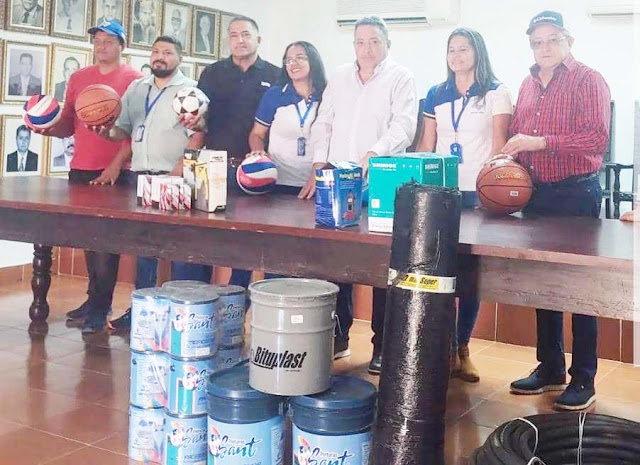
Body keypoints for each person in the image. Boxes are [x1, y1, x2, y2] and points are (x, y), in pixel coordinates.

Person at [505, 11, 611, 411]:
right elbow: (520, 136)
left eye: (552, 40)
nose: (544, 48)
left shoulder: (589, 79)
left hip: (576, 193)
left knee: (580, 287)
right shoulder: (527, 83)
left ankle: (584, 377)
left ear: (568, 41)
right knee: (544, 284)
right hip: (537, 195)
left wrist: (539, 143)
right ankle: (549, 366)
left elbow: (596, 139)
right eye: (537, 42)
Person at [307, 16, 418, 361]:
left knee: (382, 264)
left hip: (382, 178)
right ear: (353, 44)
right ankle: (338, 336)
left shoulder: (401, 77)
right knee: (338, 263)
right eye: (360, 42)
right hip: (339, 181)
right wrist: (318, 164)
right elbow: (323, 121)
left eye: (374, 41)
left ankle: (382, 346)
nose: (367, 49)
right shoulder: (340, 77)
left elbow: (405, 124)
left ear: (387, 43)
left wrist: (376, 151)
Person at [414, 28, 513, 381]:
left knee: (469, 275)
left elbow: (501, 146)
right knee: (438, 272)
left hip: (479, 192)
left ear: (477, 52)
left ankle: (463, 348)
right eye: (451, 49)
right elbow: (427, 144)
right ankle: (439, 348)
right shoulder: (435, 94)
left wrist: (493, 190)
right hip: (441, 193)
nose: (456, 55)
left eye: (463, 49)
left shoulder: (496, 92)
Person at [90, 36, 206, 330]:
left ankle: (181, 318)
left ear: (179, 58)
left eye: (167, 52)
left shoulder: (189, 90)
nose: (160, 57)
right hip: (141, 177)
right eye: (155, 51)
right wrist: (105, 132)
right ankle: (142, 312)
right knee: (144, 250)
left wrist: (183, 165)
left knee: (179, 250)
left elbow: (199, 133)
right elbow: (123, 131)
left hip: (175, 179)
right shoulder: (137, 88)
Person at [36, 20, 143, 333]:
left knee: (106, 241)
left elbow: (137, 130)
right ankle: (93, 298)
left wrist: (115, 166)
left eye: (109, 40)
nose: (101, 46)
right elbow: (69, 123)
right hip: (81, 166)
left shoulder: (134, 80)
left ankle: (101, 306)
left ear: (122, 45)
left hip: (115, 170)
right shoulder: (79, 77)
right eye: (97, 40)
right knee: (87, 238)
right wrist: (47, 128)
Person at [175, 16, 280, 284]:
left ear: (258, 39)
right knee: (198, 241)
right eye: (234, 35)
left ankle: (236, 306)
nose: (240, 40)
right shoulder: (212, 73)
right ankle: (195, 300)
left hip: (254, 171)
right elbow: (201, 120)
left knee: (243, 247)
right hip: (212, 168)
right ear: (227, 41)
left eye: (246, 34)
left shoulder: (275, 75)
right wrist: (193, 123)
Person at [249, 41, 326, 194]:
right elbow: (256, 134)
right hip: (279, 181)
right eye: (288, 60)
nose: (293, 63)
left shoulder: (327, 94)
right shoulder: (275, 95)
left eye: (300, 58)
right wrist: (259, 153)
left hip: (317, 181)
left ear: (313, 61)